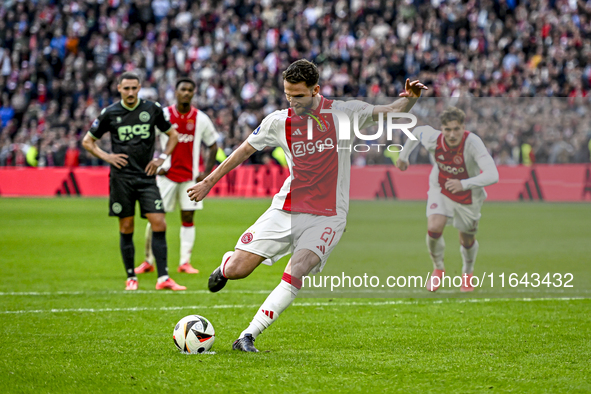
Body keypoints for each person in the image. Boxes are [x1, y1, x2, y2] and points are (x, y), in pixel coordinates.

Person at [187, 59, 427, 352]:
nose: (292, 101)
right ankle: (226, 266)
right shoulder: (280, 121)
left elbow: (390, 111)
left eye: (298, 95)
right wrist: (209, 182)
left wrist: (410, 101)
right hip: (287, 208)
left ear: (316, 90)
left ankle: (247, 335)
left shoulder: (345, 112)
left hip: (328, 215)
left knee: (297, 269)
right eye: (288, 94)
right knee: (239, 270)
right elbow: (244, 151)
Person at [82, 72, 186, 291]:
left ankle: (163, 278)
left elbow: (173, 135)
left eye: (134, 88)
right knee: (127, 226)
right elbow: (88, 141)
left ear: (139, 88)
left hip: (147, 177)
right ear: (119, 88)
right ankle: (131, 277)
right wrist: (108, 157)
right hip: (121, 179)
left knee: (159, 222)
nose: (130, 92)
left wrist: (162, 158)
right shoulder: (110, 113)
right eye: (126, 88)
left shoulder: (152, 109)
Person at [396, 107, 499, 292]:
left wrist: (464, 184)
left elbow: (493, 174)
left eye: (456, 129)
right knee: (434, 227)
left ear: (463, 128)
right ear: (441, 129)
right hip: (440, 187)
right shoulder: (433, 139)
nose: (452, 134)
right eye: (447, 129)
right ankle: (438, 268)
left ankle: (467, 273)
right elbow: (416, 132)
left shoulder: (473, 143)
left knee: (466, 239)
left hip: (469, 195)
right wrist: (403, 157)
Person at [136, 77, 219, 275]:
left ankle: (185, 262)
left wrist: (206, 173)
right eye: (183, 89)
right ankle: (148, 261)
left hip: (190, 178)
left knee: (188, 216)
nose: (187, 93)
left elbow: (213, 145)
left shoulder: (200, 118)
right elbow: (147, 138)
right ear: (176, 91)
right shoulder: (164, 114)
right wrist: (157, 162)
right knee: (155, 218)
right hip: (166, 177)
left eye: (190, 90)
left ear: (193, 93)